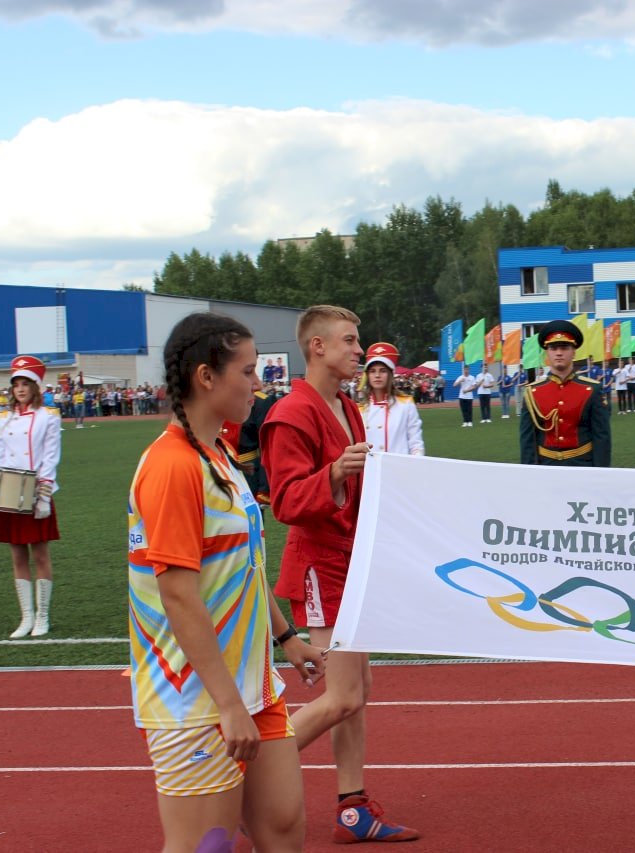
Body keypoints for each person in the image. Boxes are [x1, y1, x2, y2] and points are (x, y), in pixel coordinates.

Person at [127, 313, 326, 851]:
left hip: (253, 687)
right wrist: (227, 704)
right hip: (196, 699)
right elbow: (178, 593)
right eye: (248, 370)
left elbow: (244, 567)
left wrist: (286, 638)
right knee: (205, 845)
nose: (258, 384)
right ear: (205, 377)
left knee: (283, 829)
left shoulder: (220, 455)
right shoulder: (171, 466)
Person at [260, 306, 422, 844]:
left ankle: (352, 808)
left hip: (351, 559)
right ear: (317, 348)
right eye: (351, 342)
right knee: (344, 695)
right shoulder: (291, 412)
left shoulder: (346, 408)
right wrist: (334, 472)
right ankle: (241, 776)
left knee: (359, 688)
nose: (360, 351)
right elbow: (284, 501)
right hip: (321, 564)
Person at [0, 356, 61, 638]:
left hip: (36, 492)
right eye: (16, 384)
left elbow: (50, 457)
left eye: (26, 383)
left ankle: (43, 616)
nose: (20, 389)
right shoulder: (4, 419)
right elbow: (0, 457)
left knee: (41, 555)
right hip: (10, 492)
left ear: (36, 386)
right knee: (17, 556)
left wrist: (44, 495)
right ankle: (26, 618)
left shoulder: (49, 417)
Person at [520, 320, 611, 467]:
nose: (559, 353)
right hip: (546, 467)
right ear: (546, 353)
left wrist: (601, 475)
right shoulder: (532, 392)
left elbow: (602, 438)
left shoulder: (592, 390)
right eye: (553, 348)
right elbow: (528, 442)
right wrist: (530, 474)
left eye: (564, 347)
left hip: (582, 466)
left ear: (574, 351)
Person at [359, 342, 425, 456]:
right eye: (372, 371)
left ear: (391, 374)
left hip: (400, 470)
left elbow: (416, 443)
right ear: (368, 375)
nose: (377, 375)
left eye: (383, 371)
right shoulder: (360, 409)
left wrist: (415, 465)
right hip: (369, 471)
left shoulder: (405, 404)